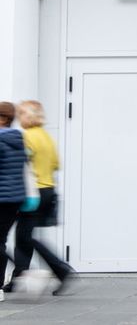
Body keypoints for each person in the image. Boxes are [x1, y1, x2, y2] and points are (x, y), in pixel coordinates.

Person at [7, 101, 75, 297]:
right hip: (48, 190)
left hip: (32, 192)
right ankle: (17, 280)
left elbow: (22, 166)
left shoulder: (26, 137)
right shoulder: (46, 137)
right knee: (24, 237)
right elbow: (56, 164)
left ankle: (61, 269)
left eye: (20, 115)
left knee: (25, 237)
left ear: (25, 116)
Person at [0, 101, 35, 302]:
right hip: (14, 198)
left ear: (3, 118)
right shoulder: (18, 139)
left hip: (2, 197)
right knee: (1, 241)